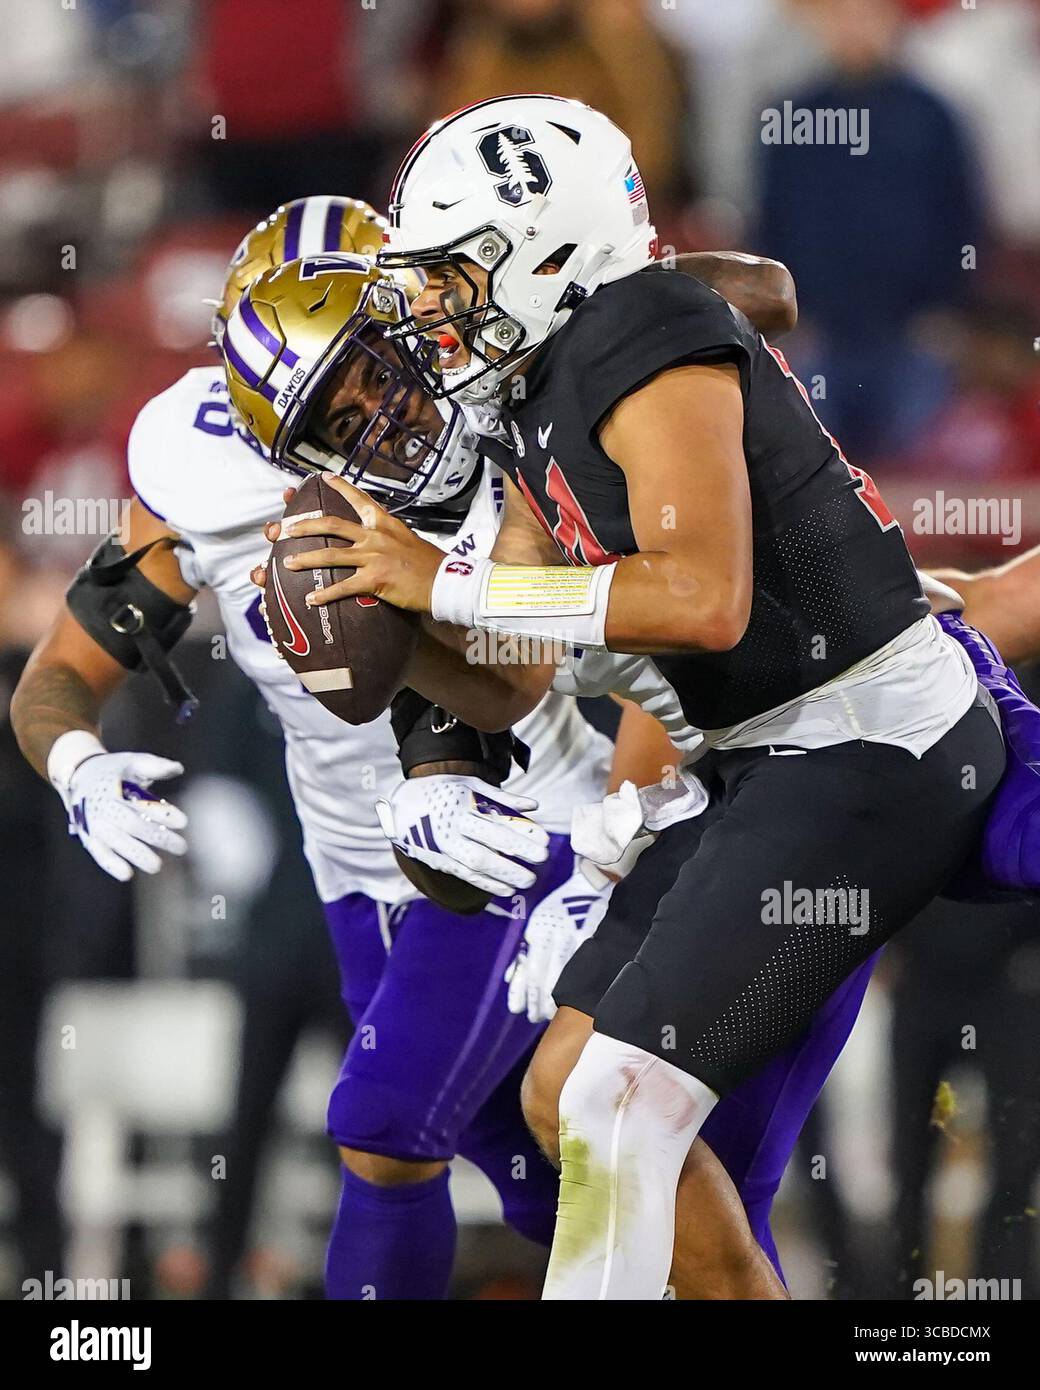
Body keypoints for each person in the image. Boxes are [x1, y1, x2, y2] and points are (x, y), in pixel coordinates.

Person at [271, 95, 1005, 1299]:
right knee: (567, 1089)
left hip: (864, 736)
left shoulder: (642, 331)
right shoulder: (534, 388)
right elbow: (512, 673)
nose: (435, 308)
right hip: (763, 760)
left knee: (614, 1101)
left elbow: (701, 598)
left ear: (544, 250)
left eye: (453, 274)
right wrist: (392, 633)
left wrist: (436, 577)